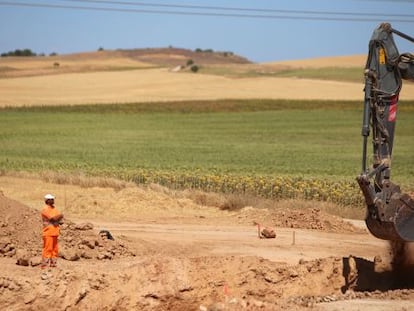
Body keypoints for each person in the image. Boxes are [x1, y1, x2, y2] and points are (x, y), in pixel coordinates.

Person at [40, 194, 64, 268]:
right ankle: (45, 265)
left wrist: (59, 217)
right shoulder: (45, 209)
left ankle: (53, 264)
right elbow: (52, 219)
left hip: (55, 232)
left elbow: (59, 219)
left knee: (55, 249)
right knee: (48, 249)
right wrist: (60, 216)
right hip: (48, 232)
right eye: (51, 199)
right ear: (47, 201)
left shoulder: (55, 209)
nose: (53, 201)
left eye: (53, 199)